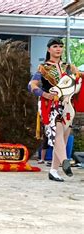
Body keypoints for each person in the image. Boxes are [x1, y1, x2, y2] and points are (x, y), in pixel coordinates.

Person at [28, 37, 81, 182]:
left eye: (60, 46)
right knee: (58, 132)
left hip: (67, 103)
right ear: (49, 49)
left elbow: (78, 80)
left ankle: (53, 171)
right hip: (50, 105)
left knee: (63, 137)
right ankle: (65, 161)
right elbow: (32, 85)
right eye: (55, 46)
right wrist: (45, 94)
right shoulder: (43, 68)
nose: (58, 49)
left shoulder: (69, 67)